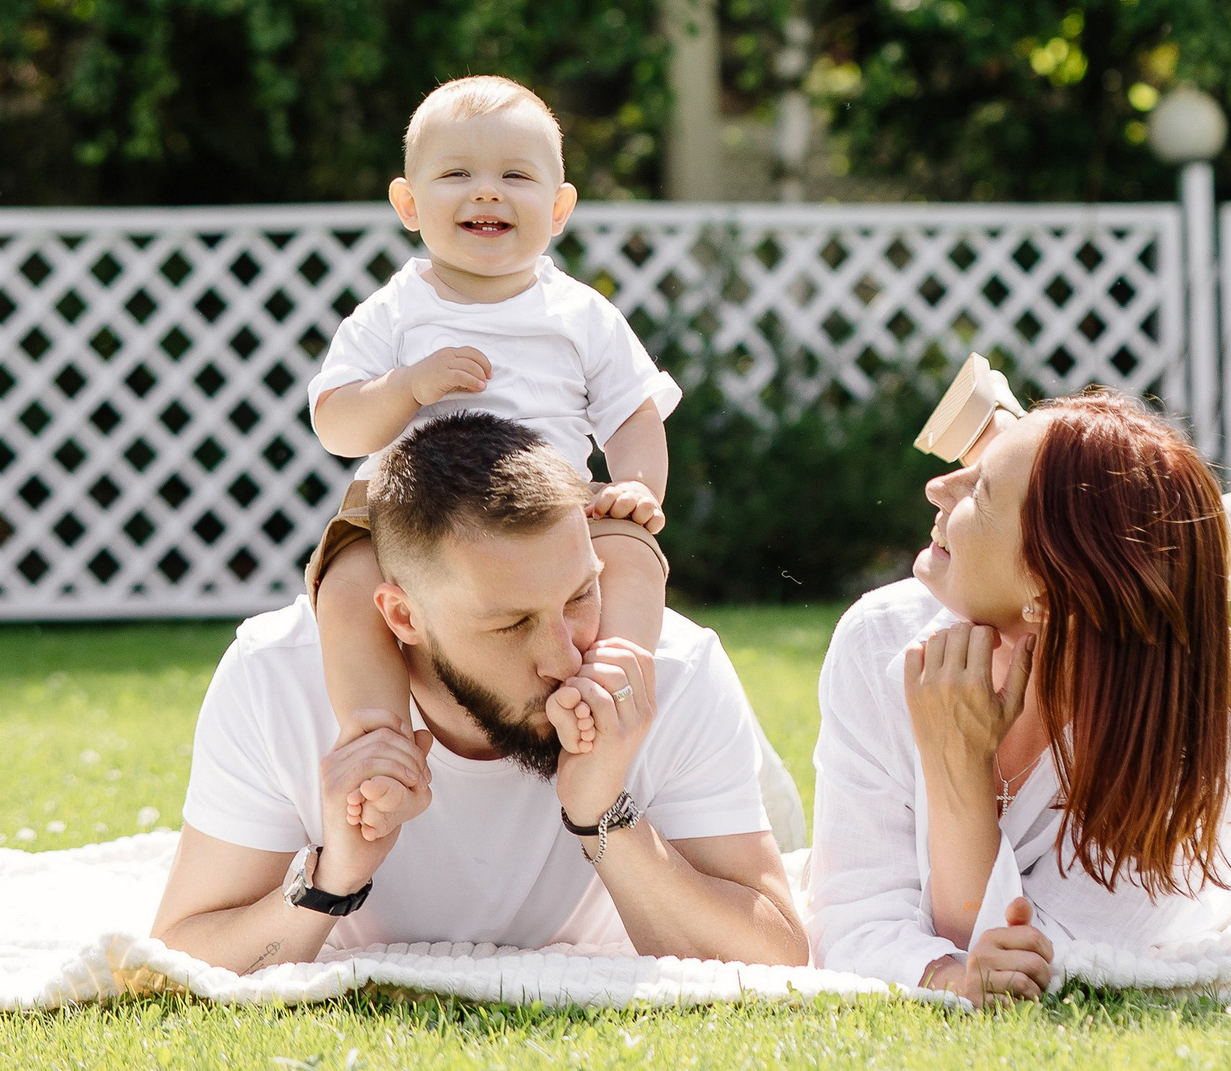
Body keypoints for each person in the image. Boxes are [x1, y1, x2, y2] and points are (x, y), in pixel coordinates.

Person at [150, 412, 806, 972]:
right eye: (512, 624)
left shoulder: (669, 669)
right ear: (402, 616)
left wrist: (603, 812)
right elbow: (180, 957)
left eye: (581, 594)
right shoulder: (275, 676)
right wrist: (331, 878)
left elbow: (776, 956)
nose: (565, 656)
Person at [805, 387, 1231, 1007]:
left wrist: (958, 768)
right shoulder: (882, 640)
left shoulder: (1197, 739)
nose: (938, 489)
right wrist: (947, 977)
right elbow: (852, 912)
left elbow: (1049, 958)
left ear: (1046, 595)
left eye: (980, 492)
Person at [305, 76, 681, 838]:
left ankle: (610, 683)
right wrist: (405, 386)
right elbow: (336, 420)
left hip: (555, 516)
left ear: (559, 208)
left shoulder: (580, 313)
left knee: (635, 551)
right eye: (457, 173)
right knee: (345, 580)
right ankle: (377, 733)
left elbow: (634, 413)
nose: (487, 191)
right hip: (411, 514)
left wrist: (636, 486)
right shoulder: (394, 312)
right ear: (409, 204)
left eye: (515, 174)